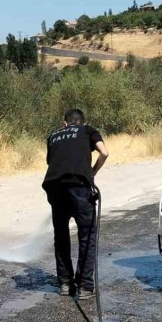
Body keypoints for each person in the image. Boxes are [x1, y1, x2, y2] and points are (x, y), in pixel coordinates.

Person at [42, 109, 109, 299]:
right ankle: (85, 287)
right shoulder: (87, 130)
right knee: (87, 235)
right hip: (79, 186)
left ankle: (65, 284)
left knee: (61, 236)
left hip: (55, 187)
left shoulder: (53, 135)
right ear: (82, 122)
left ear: (65, 123)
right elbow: (104, 152)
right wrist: (92, 174)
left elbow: (53, 161)